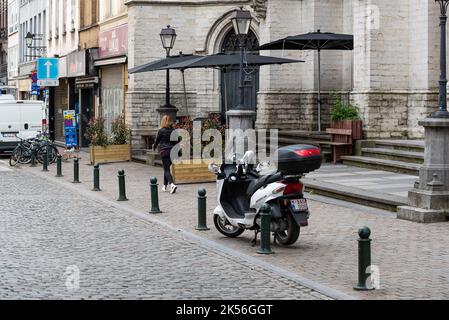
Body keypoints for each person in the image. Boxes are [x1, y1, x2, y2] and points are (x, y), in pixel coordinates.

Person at [153, 115, 178, 194]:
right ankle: (164, 185)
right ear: (170, 121)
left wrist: (154, 147)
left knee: (166, 169)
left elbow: (157, 141)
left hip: (164, 151)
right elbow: (175, 142)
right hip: (172, 151)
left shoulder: (161, 130)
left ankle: (172, 184)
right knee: (166, 168)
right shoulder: (173, 130)